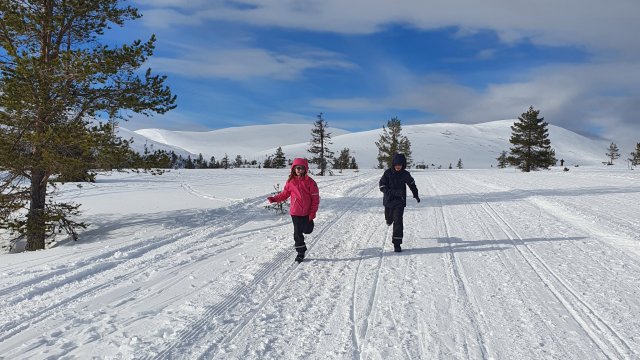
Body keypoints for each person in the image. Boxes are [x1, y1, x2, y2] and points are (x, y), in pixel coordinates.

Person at [267, 158, 320, 263]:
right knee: (297, 233)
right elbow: (284, 194)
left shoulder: (310, 182)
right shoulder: (291, 182)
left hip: (307, 212)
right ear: (294, 169)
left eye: (302, 168)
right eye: (297, 168)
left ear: (305, 169)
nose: (299, 170)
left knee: (308, 230)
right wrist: (274, 199)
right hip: (295, 212)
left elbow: (315, 198)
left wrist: (313, 212)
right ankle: (300, 252)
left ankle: (308, 226)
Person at [379, 153, 420, 252]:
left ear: (403, 165)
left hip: (399, 202)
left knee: (398, 221)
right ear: (393, 164)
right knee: (389, 218)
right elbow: (382, 185)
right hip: (389, 200)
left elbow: (412, 184)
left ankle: (397, 244)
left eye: (400, 165)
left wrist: (416, 194)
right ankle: (389, 220)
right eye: (396, 165)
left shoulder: (405, 174)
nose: (398, 167)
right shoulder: (387, 173)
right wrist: (389, 191)